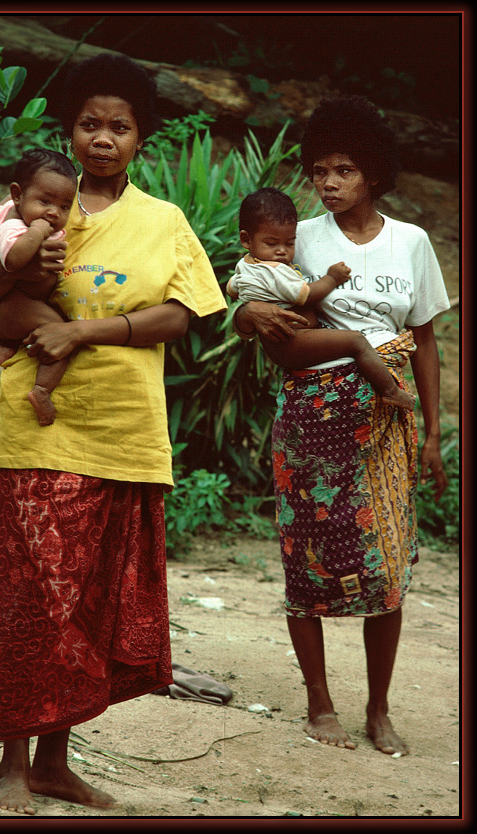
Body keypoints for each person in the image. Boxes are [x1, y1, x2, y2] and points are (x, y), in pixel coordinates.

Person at [0, 53, 226, 815]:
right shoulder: (35, 206)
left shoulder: (163, 221)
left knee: (88, 606)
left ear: (141, 138)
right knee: (29, 598)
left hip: (125, 435)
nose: (103, 138)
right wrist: (18, 260)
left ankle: (54, 762)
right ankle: (10, 762)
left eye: (120, 126)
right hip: (39, 434)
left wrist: (84, 333)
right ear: (69, 130)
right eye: (89, 124)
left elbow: (184, 313)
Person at [233, 94, 449, 756]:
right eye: (319, 170)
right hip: (309, 415)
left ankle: (378, 710)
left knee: (384, 564)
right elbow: (253, 302)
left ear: (374, 173)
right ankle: (318, 701)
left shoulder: (409, 242)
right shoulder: (296, 236)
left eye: (343, 170)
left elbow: (426, 341)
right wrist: (246, 317)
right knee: (307, 557)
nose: (327, 183)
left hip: (387, 420)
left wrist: (434, 434)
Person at [227, 187, 415, 410]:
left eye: (289, 243)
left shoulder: (247, 265)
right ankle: (391, 391)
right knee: (356, 342)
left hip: (285, 343)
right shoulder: (274, 271)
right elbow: (305, 296)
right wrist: (332, 278)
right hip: (292, 340)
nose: (281, 251)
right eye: (272, 244)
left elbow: (232, 289)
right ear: (246, 239)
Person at [0, 148, 78, 426]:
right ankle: (42, 390)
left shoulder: (17, 211)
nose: (53, 212)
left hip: (22, 306)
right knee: (61, 339)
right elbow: (13, 262)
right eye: (45, 201)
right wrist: (36, 232)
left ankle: (4, 344)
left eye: (64, 206)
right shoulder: (13, 228)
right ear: (17, 195)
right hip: (16, 305)